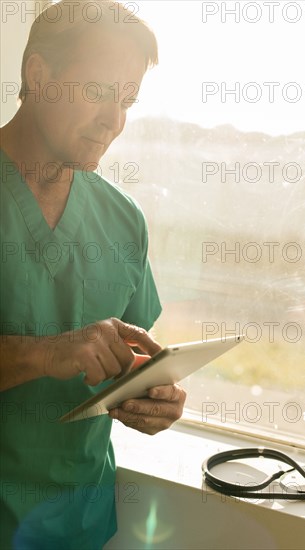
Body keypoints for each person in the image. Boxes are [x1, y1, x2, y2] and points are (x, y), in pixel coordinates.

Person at [0, 2, 186, 548]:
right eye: (99, 92)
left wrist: (152, 396)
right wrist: (46, 353)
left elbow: (121, 360)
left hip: (80, 522)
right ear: (39, 76)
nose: (115, 120)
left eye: (126, 100)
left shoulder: (123, 219)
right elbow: (68, 348)